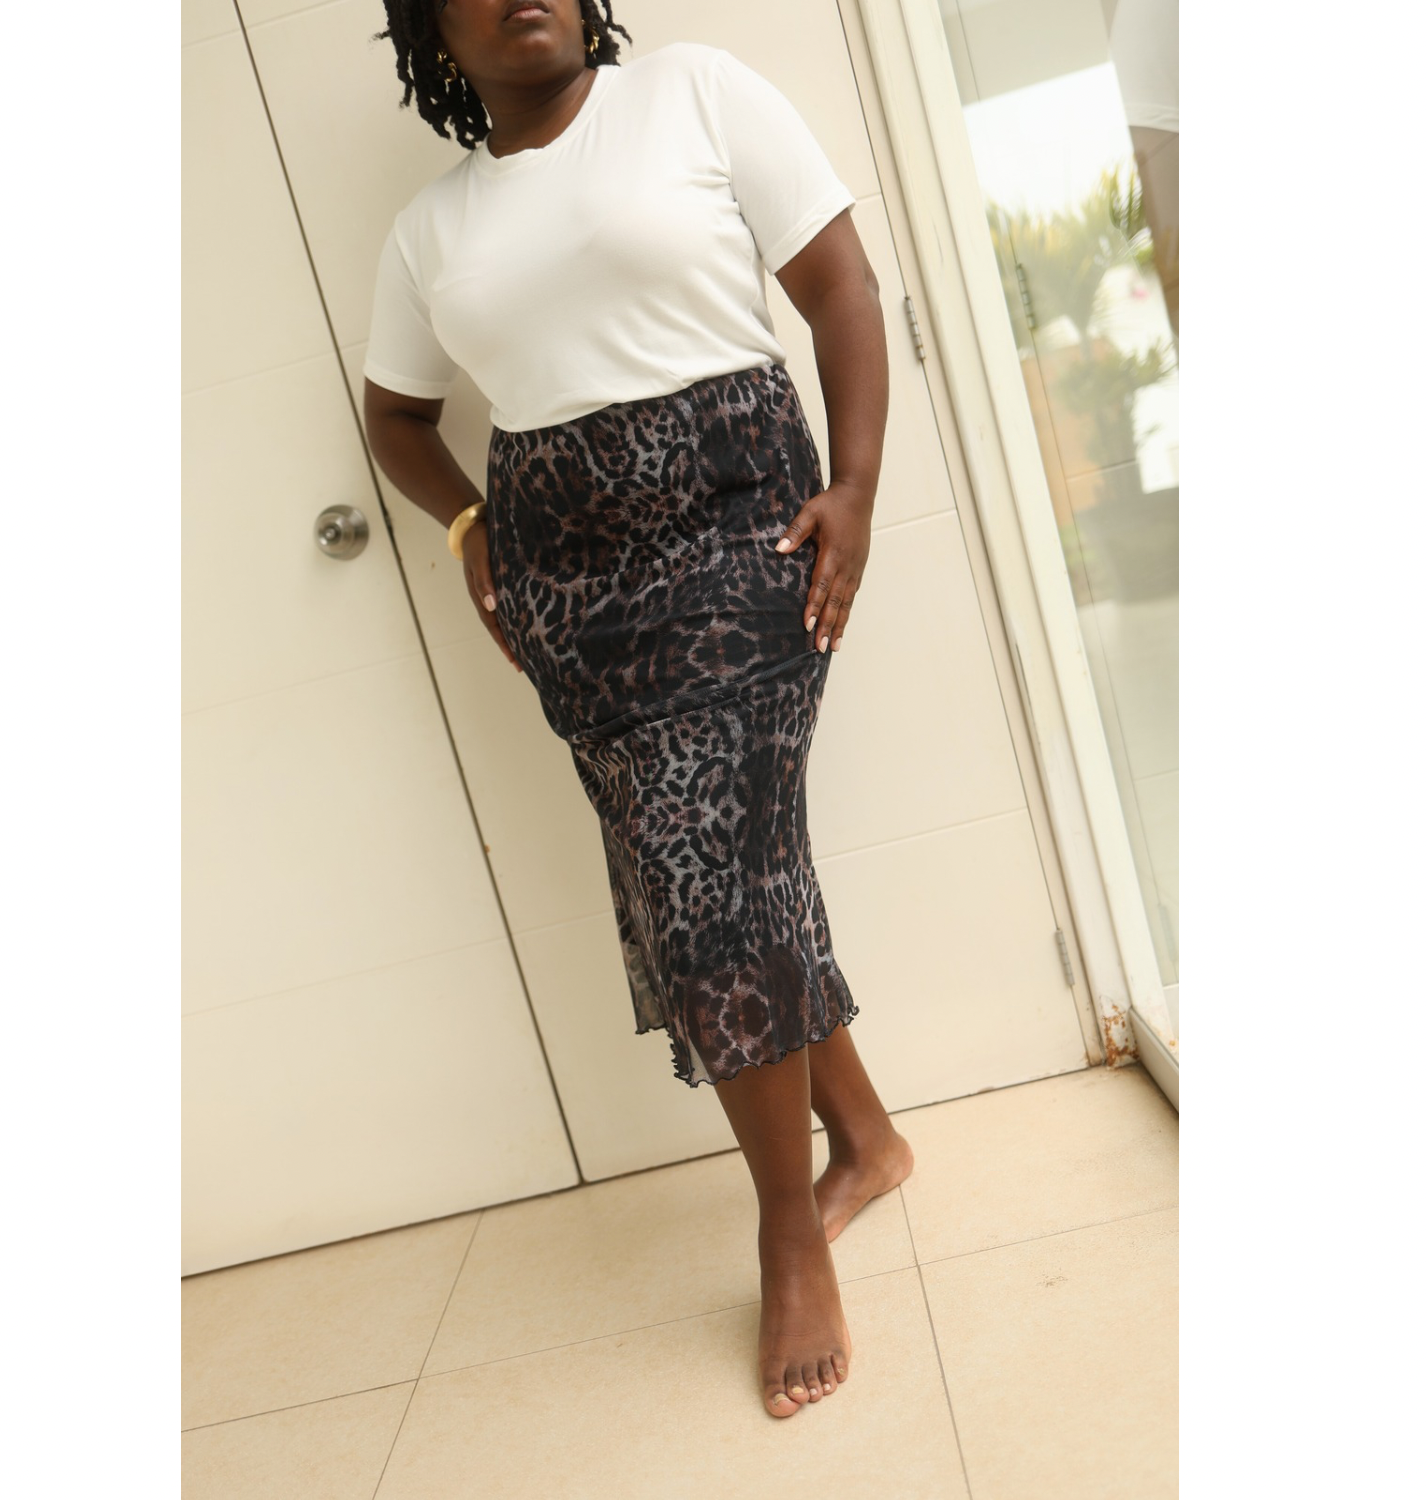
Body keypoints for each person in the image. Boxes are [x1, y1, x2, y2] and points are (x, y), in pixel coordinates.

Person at [363, 0, 913, 1418]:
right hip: (570, 585)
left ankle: (788, 1233)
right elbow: (395, 418)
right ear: (432, 33)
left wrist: (855, 489)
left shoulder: (695, 93)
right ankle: (863, 1139)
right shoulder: (432, 229)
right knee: (717, 877)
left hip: (742, 525)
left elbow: (843, 288)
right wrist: (469, 526)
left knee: (702, 878)